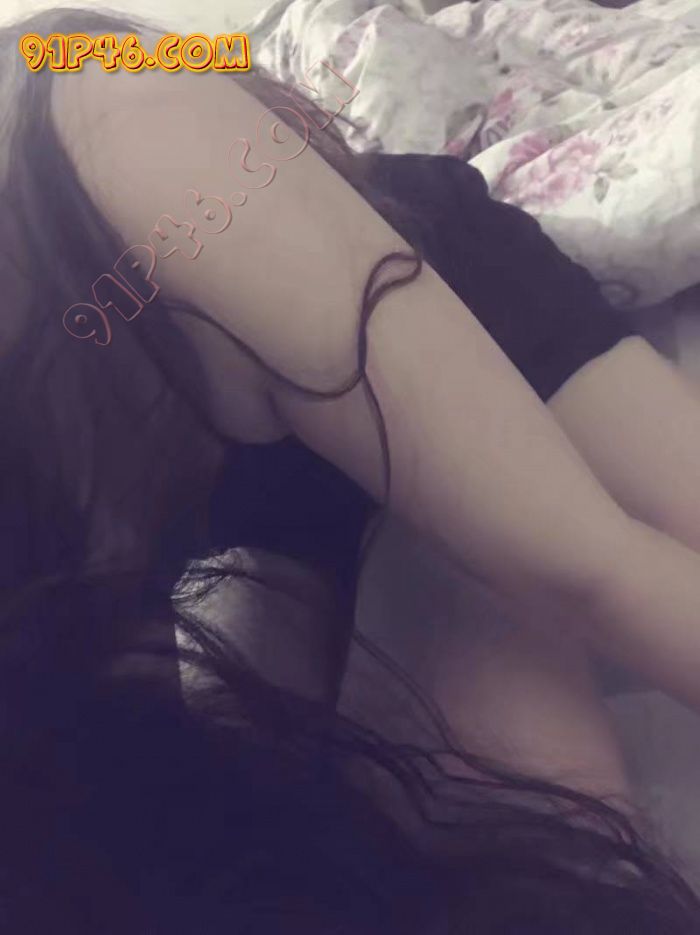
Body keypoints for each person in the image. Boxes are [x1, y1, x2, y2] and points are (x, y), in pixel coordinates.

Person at [2, 6, 700, 932]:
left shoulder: (101, 104)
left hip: (420, 260)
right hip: (216, 458)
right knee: (318, 791)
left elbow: (590, 566)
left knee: (574, 556)